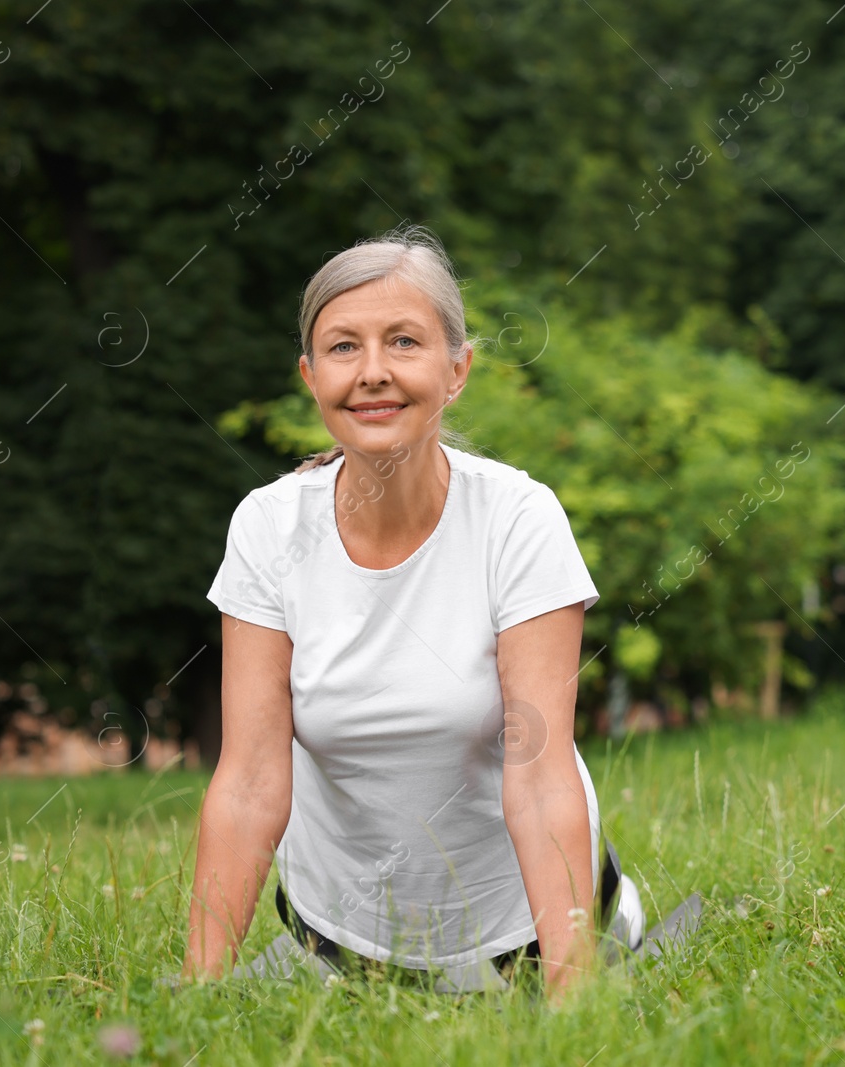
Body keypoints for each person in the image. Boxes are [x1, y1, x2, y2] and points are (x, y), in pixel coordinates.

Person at [180, 225, 643, 996]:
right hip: (337, 944)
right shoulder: (267, 526)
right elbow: (252, 780)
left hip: (518, 942)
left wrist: (573, 1001)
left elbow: (540, 774)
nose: (372, 373)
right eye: (342, 347)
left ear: (457, 369)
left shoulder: (518, 518)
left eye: (403, 341)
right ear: (309, 374)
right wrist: (195, 995)